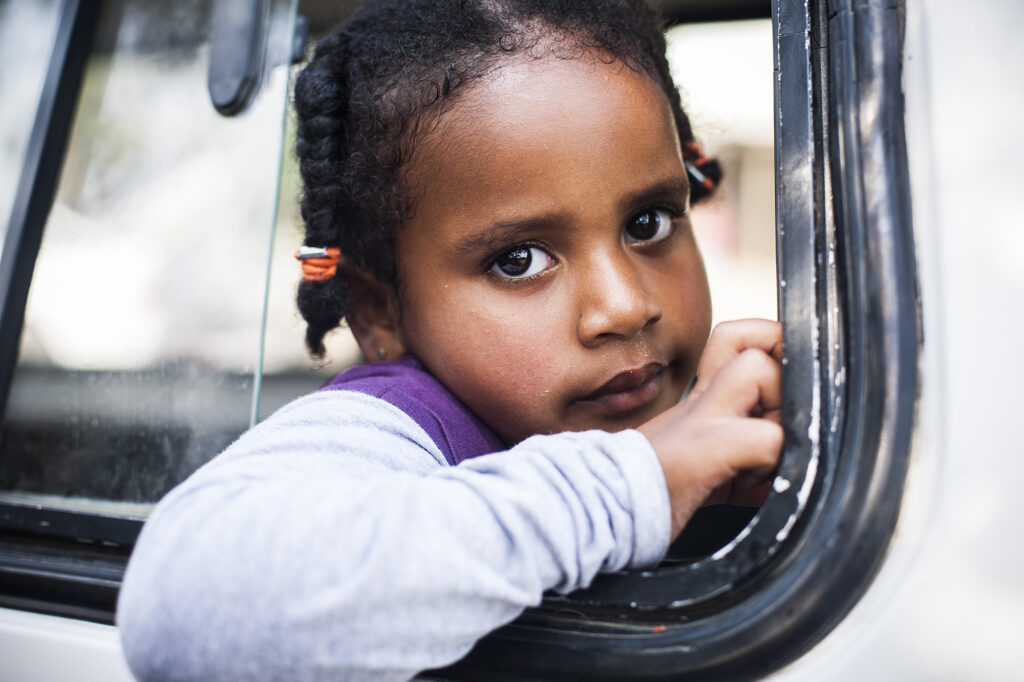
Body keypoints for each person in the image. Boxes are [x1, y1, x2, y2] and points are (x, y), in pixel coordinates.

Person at [116, 0, 783, 680]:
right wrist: (635, 485)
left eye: (648, 221)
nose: (623, 306)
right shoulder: (400, 422)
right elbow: (186, 609)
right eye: (519, 260)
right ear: (380, 312)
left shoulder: (683, 406)